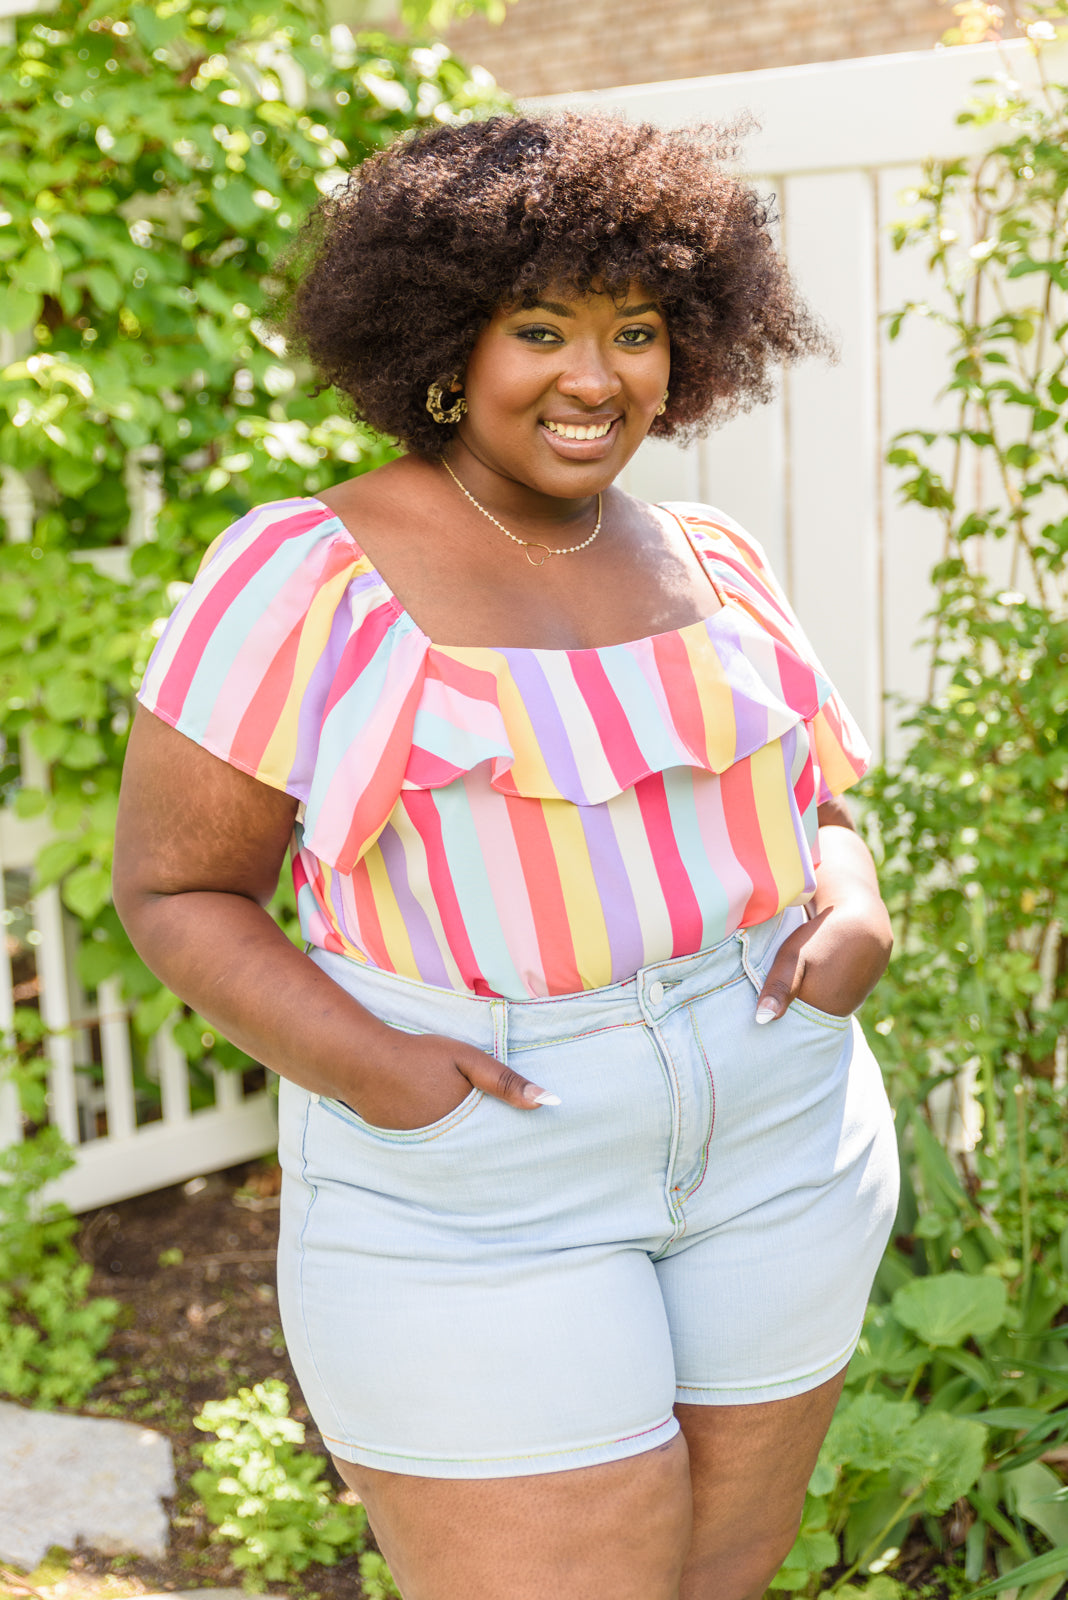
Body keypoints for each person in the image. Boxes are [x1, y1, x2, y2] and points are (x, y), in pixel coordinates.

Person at [113, 113, 899, 1600]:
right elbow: (176, 888)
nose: (595, 377)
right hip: (482, 1172)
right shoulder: (305, 574)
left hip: (780, 1138)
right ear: (444, 340)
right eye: (541, 329)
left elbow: (813, 805)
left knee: (724, 1573)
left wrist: (851, 901)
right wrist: (388, 1079)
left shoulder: (713, 558)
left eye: (637, 332)